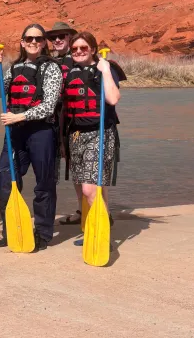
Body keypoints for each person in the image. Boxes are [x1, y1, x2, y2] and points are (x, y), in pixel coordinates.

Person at [0, 24, 62, 252]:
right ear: (22, 42)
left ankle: (43, 232)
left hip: (41, 132)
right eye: (29, 38)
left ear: (44, 43)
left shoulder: (52, 68)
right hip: (16, 133)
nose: (34, 42)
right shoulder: (13, 68)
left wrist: (18, 116)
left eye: (38, 39)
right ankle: (10, 228)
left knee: (44, 184)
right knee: (6, 182)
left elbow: (49, 106)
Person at [63, 32, 122, 244]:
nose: (79, 52)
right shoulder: (69, 72)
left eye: (83, 48)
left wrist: (105, 70)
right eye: (75, 49)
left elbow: (113, 98)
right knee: (87, 187)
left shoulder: (106, 69)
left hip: (100, 133)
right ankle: (95, 228)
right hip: (76, 135)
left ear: (93, 50)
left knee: (90, 188)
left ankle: (102, 236)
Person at [46, 22, 85, 226]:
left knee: (81, 168)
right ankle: (82, 210)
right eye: (53, 37)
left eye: (62, 36)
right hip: (54, 121)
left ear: (70, 38)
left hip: (74, 121)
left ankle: (91, 210)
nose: (57, 40)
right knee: (66, 168)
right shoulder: (49, 61)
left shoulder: (78, 59)